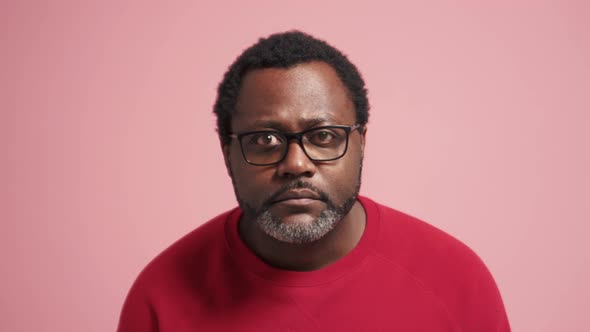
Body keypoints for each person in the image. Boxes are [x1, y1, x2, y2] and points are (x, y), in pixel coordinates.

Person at [117, 31, 511, 331]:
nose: (295, 164)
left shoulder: (456, 280)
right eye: (265, 140)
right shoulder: (161, 297)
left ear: (360, 143)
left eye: (323, 136)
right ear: (227, 153)